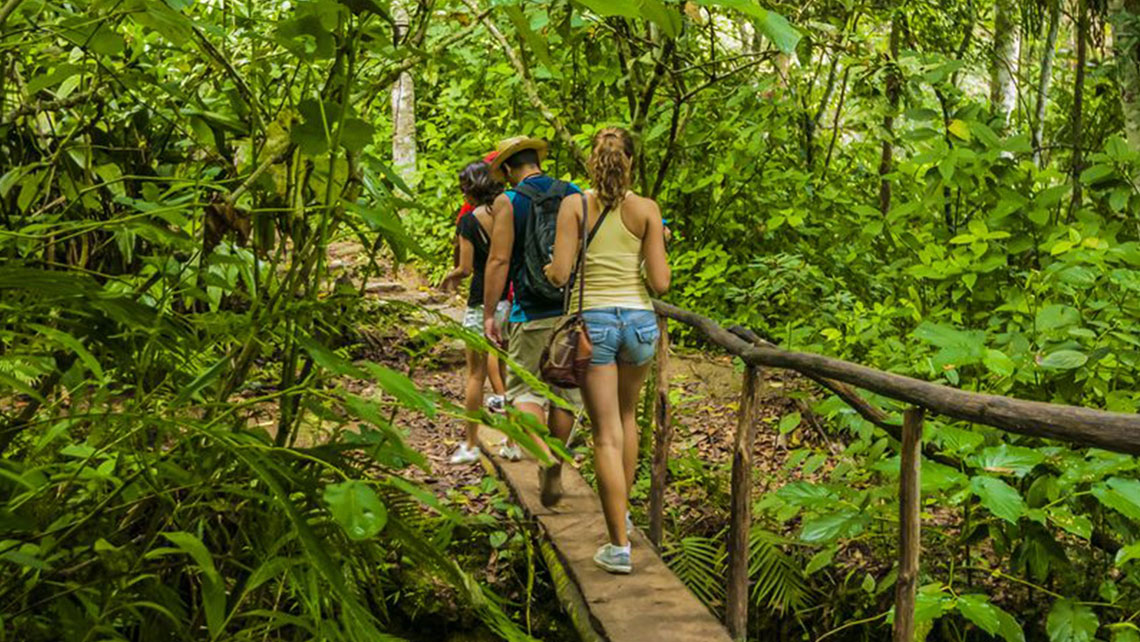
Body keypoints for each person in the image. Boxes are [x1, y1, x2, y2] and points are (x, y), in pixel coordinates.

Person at [544, 127, 670, 575]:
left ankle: (618, 545)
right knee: (627, 418)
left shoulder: (573, 205)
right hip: (638, 323)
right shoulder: (647, 211)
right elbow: (661, 283)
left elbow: (559, 274)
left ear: (591, 163)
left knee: (604, 434)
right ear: (631, 162)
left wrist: (551, 265)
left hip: (593, 324)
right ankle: (625, 515)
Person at [482, 136, 583, 506]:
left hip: (530, 309)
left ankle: (542, 455)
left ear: (509, 169)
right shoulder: (574, 193)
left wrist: (491, 313)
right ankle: (556, 458)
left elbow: (499, 260)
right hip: (572, 308)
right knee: (566, 393)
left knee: (525, 390)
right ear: (537, 160)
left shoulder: (510, 201)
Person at [440, 160, 511, 464]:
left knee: (475, 375)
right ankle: (512, 441)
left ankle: (470, 444)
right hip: (510, 301)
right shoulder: (509, 214)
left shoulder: (468, 222)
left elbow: (466, 268)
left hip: (482, 301)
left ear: (471, 189)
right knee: (508, 372)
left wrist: (451, 275)